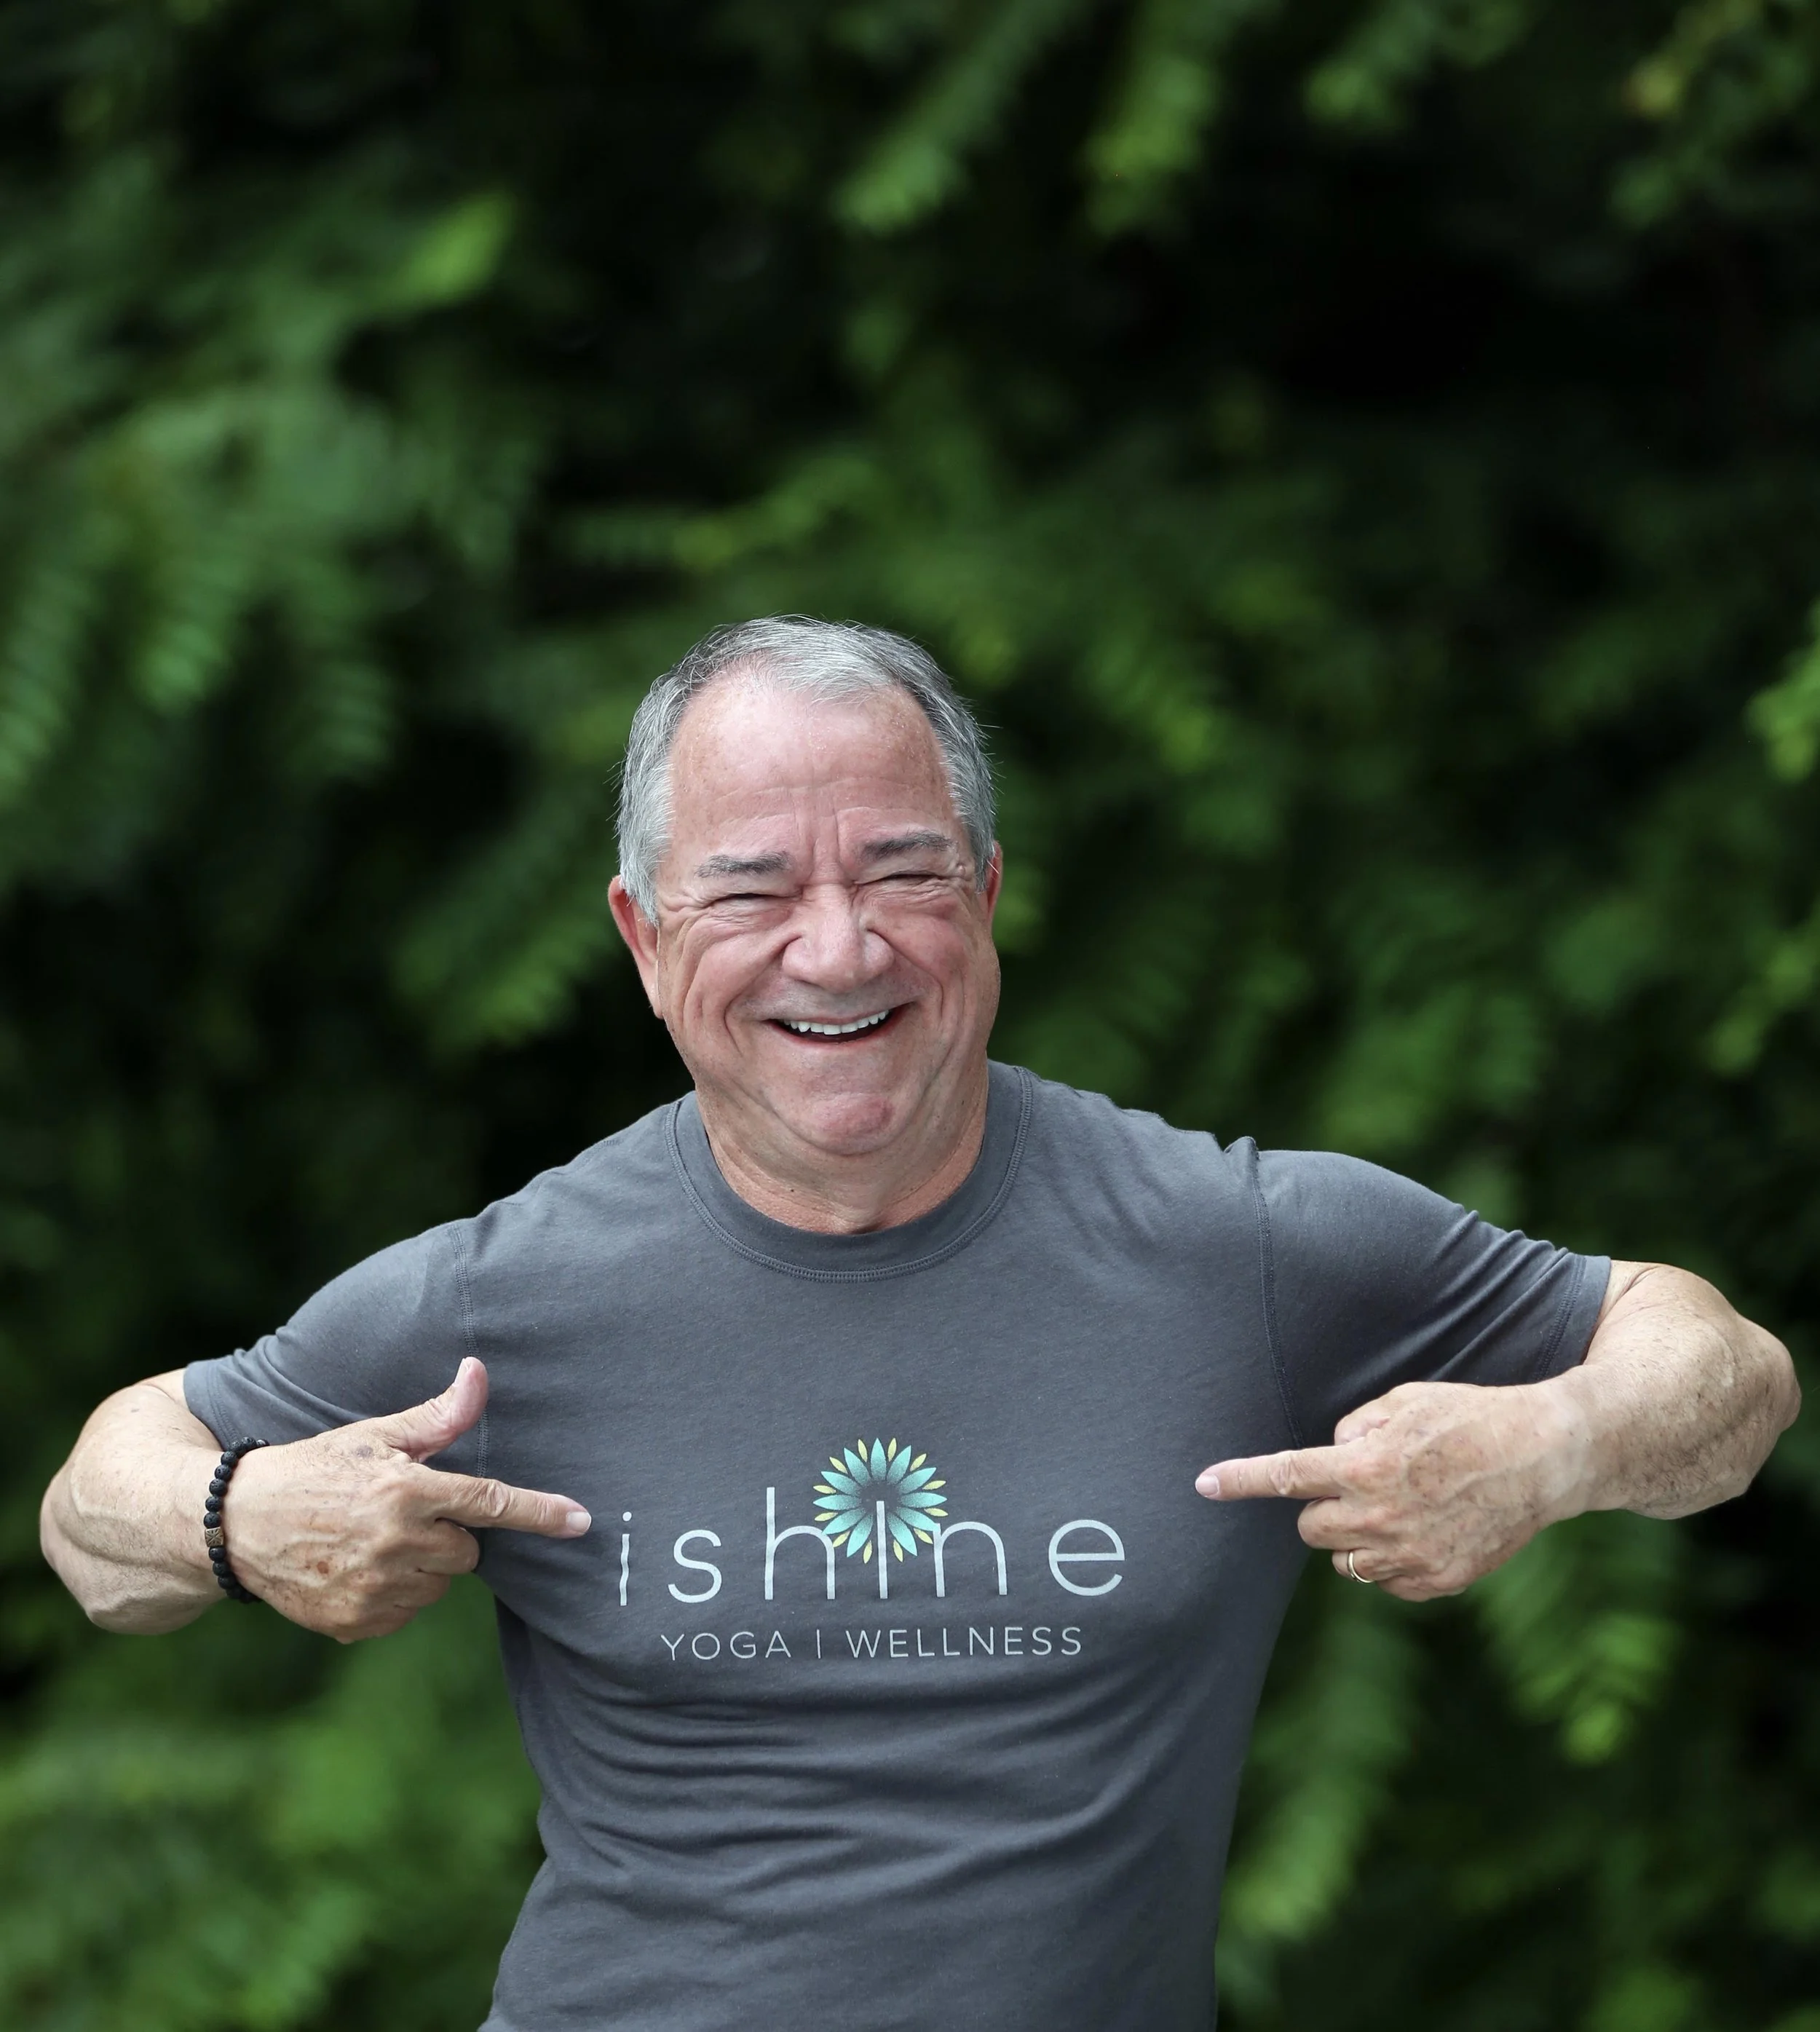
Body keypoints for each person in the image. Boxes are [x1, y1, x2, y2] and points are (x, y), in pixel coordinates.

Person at [41, 617, 1798, 2032]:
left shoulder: (1233, 1245)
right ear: (643, 938)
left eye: (899, 870)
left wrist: (1553, 1446)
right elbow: (92, 1517)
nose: (837, 948)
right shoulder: (508, 1292)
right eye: (750, 889)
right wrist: (235, 1516)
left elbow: (1725, 1376)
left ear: (985, 897)